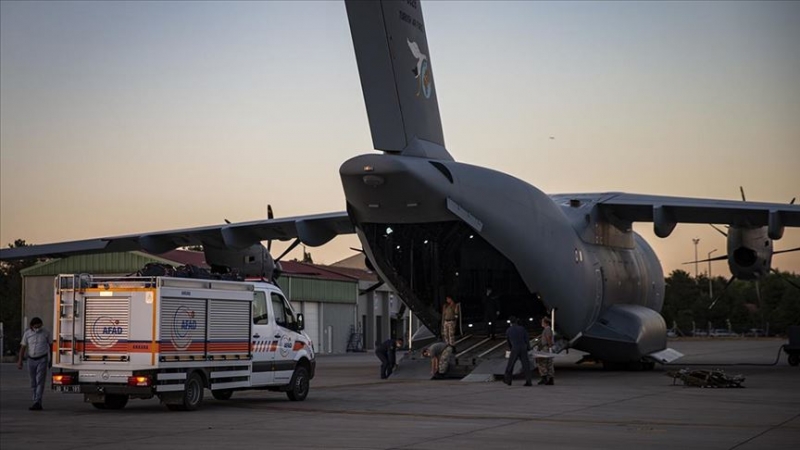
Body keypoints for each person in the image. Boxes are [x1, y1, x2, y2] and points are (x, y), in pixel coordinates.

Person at [17, 317, 52, 411]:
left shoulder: (46, 332)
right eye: (36, 327)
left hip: (42, 359)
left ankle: (37, 402)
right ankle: (35, 399)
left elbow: (51, 345)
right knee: (33, 382)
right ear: (32, 326)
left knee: (40, 381)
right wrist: (20, 361)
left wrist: (51, 360)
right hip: (31, 360)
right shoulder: (27, 333)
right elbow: (23, 347)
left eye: (39, 326)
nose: (38, 329)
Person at [503, 316, 533, 386]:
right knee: (526, 365)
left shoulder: (508, 330)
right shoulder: (522, 329)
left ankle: (508, 380)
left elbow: (508, 341)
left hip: (515, 348)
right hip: (523, 348)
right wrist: (528, 347)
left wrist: (511, 348)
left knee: (510, 364)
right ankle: (529, 381)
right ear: (517, 321)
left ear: (510, 322)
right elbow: (526, 339)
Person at [535, 317, 555, 385]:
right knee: (549, 363)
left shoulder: (547, 329)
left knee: (542, 363)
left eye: (542, 322)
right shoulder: (548, 329)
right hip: (547, 347)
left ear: (545, 323)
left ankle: (544, 378)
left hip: (545, 348)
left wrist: (549, 347)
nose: (541, 323)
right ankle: (550, 379)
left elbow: (548, 338)